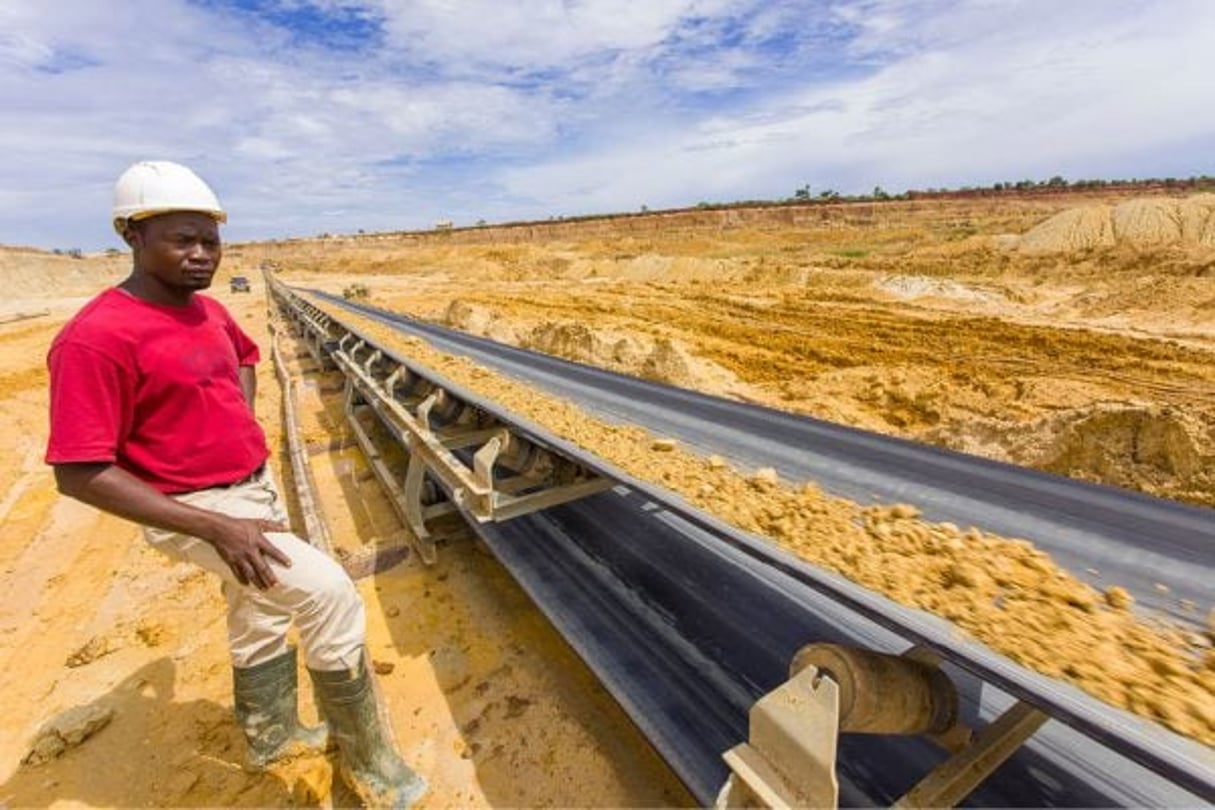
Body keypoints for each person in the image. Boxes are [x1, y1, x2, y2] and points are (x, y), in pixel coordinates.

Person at [45, 160, 427, 808]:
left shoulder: (208, 313)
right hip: (194, 508)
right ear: (133, 236)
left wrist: (238, 415)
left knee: (256, 612)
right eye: (182, 240)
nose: (201, 255)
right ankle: (372, 763)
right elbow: (79, 471)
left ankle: (269, 735)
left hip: (250, 489)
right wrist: (214, 526)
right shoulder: (96, 338)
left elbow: (245, 357)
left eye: (210, 241)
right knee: (329, 593)